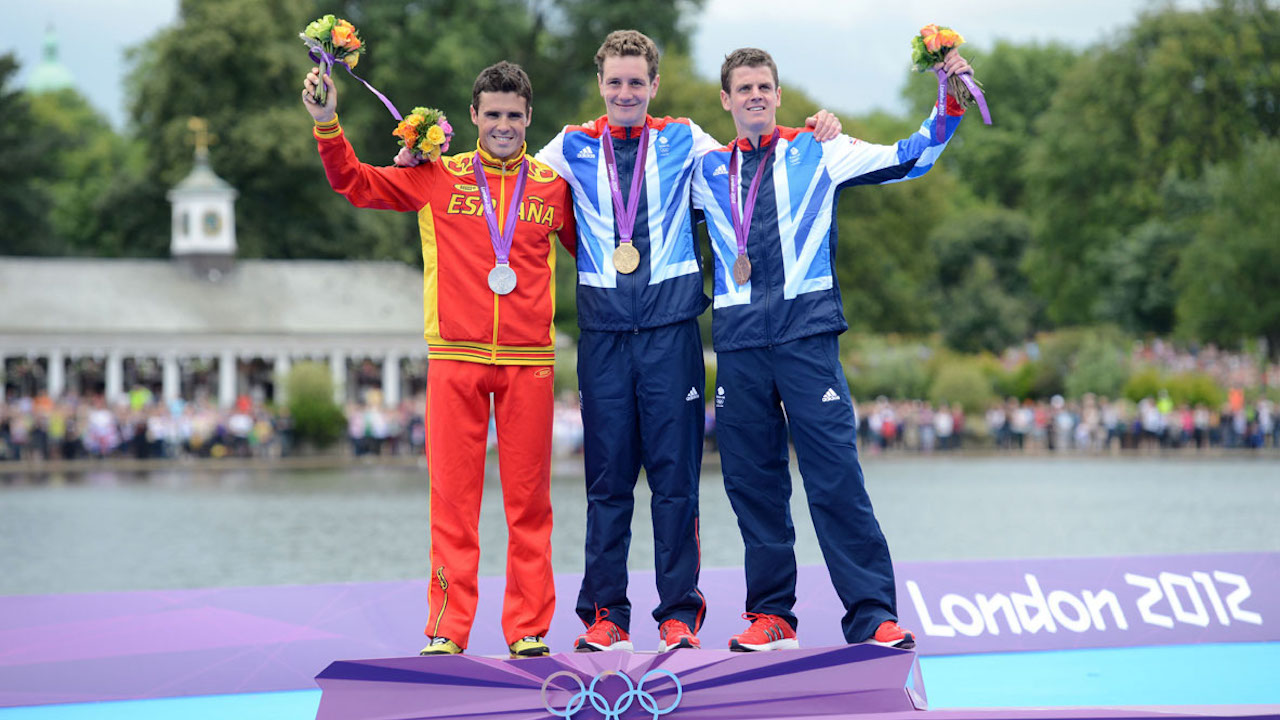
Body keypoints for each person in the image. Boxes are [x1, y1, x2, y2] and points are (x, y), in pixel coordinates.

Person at [532, 30, 841, 653]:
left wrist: (818, 131)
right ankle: (605, 617)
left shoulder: (684, 139)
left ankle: (678, 616)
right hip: (604, 336)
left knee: (675, 481)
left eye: (637, 82)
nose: (626, 92)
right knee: (607, 482)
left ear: (654, 86)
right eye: (615, 82)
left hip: (673, 333)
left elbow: (749, 159)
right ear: (601, 85)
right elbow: (509, 181)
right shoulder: (568, 146)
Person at [690, 45, 973, 651]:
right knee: (751, 484)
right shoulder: (704, 169)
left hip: (807, 340)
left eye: (764, 86)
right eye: (743, 89)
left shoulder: (819, 149)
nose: (755, 96)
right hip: (739, 346)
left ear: (778, 94)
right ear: (726, 99)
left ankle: (872, 616)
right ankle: (771, 617)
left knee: (835, 478)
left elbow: (909, 158)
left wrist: (947, 104)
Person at [302, 60, 576, 659]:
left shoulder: (554, 187)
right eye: (493, 115)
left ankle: (528, 628)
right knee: (452, 503)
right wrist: (327, 123)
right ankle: (447, 629)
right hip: (455, 357)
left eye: (514, 115)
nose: (504, 125)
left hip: (530, 361)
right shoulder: (435, 177)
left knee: (529, 502)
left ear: (530, 118)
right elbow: (356, 183)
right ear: (474, 115)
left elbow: (603, 248)